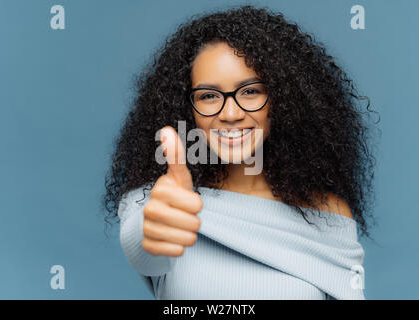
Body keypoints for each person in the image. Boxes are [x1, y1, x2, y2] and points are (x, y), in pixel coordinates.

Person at [102, 5, 378, 299]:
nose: (230, 113)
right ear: (186, 108)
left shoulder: (327, 212)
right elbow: (144, 245)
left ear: (284, 100)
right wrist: (150, 229)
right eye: (209, 96)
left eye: (250, 91)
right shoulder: (160, 202)